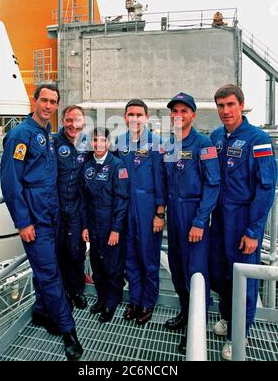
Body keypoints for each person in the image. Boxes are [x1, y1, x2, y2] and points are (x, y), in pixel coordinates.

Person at [0, 84, 83, 361]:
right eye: (44, 100)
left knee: (46, 269)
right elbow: (11, 183)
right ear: (34, 101)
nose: (48, 105)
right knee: (49, 273)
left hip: (52, 216)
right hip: (35, 221)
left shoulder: (47, 135)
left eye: (53, 102)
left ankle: (40, 312)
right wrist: (23, 222)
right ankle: (68, 331)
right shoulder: (20, 136)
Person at [209, 84, 277, 361]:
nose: (225, 111)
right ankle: (228, 317)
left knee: (245, 279)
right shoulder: (215, 137)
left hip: (244, 220)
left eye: (230, 105)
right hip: (220, 219)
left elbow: (266, 188)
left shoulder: (258, 139)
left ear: (241, 105)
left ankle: (239, 336)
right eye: (221, 106)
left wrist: (253, 230)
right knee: (221, 272)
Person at [163, 92, 221, 332]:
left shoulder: (204, 144)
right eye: (174, 111)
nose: (178, 115)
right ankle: (186, 314)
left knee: (195, 271)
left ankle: (197, 327)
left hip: (193, 214)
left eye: (183, 111)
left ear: (193, 115)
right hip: (174, 214)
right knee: (177, 267)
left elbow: (213, 183)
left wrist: (199, 220)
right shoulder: (168, 145)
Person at [116, 99, 167, 324]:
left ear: (146, 117)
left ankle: (148, 302)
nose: (134, 119)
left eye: (139, 114)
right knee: (130, 258)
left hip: (148, 208)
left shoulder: (157, 143)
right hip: (126, 207)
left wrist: (159, 213)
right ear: (125, 117)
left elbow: (161, 180)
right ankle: (134, 300)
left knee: (148, 258)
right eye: (130, 114)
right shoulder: (120, 143)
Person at [81, 127, 129, 323]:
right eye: (95, 141)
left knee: (112, 266)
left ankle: (111, 302)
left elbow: (122, 199)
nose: (99, 144)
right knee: (97, 264)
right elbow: (83, 200)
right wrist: (84, 226)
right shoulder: (87, 167)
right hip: (93, 226)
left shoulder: (118, 166)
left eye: (102, 140)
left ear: (108, 143)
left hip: (111, 226)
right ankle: (102, 298)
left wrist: (116, 229)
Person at [54, 105, 91, 310]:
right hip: (56, 208)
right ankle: (62, 294)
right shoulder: (52, 142)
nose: (73, 125)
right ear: (62, 122)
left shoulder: (88, 143)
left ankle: (77, 290)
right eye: (69, 120)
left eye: (77, 120)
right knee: (57, 252)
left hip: (77, 209)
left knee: (75, 252)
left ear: (83, 122)